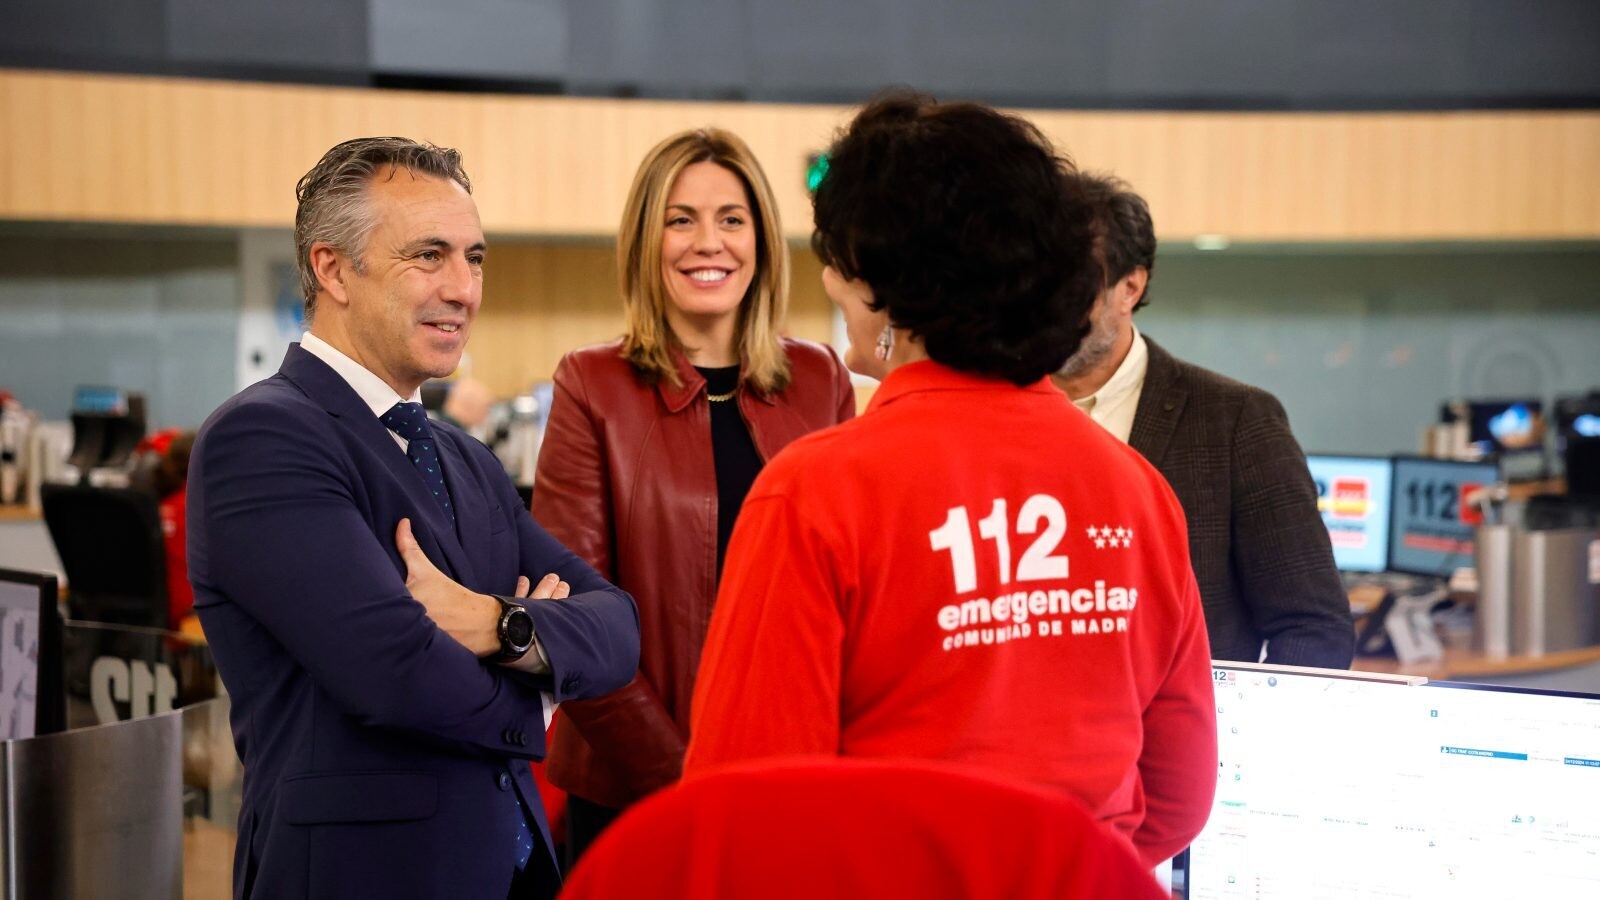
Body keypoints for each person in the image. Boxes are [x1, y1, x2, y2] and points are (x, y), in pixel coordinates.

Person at [683, 94, 1216, 867]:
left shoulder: (817, 494)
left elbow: (742, 812)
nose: (830, 281)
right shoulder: (1135, 489)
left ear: (879, 283)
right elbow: (1178, 794)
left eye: (835, 261)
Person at [188, 137, 640, 900]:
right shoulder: (263, 437)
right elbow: (395, 674)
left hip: (515, 871)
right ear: (333, 268)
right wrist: (545, 689)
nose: (465, 288)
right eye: (429, 256)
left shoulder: (467, 461)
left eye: (476, 258)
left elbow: (619, 626)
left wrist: (500, 626)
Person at [532, 127, 855, 865]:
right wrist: (686, 785)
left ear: (762, 239)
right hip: (632, 795)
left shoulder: (822, 379)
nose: (708, 243)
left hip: (789, 787)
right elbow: (574, 622)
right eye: (681, 219)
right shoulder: (592, 385)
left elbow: (849, 602)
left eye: (731, 219)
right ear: (648, 239)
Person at [1052, 174, 1354, 669]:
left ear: (1130, 286)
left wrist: (1237, 744)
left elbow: (1312, 627)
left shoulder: (1235, 421)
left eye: (1069, 288)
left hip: (1185, 739)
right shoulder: (988, 412)